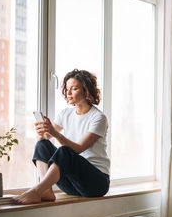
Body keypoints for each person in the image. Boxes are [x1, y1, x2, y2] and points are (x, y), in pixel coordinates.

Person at [11, 69, 110, 205]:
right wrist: (42, 133)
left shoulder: (98, 118)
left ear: (86, 91)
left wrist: (55, 133)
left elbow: (78, 149)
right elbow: (45, 138)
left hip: (95, 183)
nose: (68, 93)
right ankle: (46, 190)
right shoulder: (65, 114)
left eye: (74, 89)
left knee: (64, 151)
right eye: (67, 89)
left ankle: (37, 191)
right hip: (73, 185)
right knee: (42, 145)